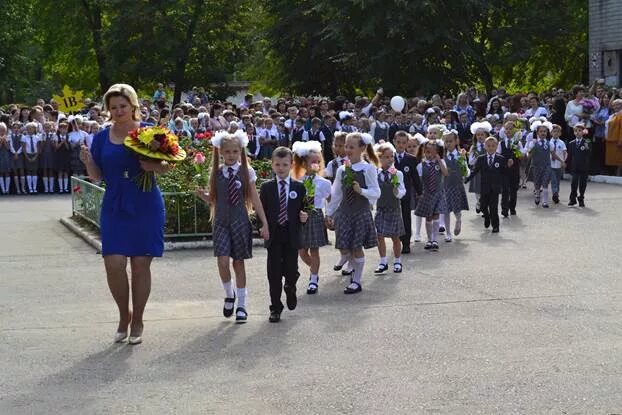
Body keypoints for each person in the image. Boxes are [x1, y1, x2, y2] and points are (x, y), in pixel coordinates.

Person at [80, 83, 172, 345]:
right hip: (114, 205)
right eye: (114, 107)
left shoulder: (148, 133)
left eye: (123, 106)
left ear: (132, 106)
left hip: (145, 204)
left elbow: (167, 166)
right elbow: (97, 177)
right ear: (108, 110)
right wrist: (88, 162)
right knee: (114, 264)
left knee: (141, 266)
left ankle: (138, 319)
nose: (119, 111)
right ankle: (123, 315)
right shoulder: (101, 137)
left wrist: (153, 164)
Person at [196, 130, 269, 324]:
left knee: (238, 263)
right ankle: (229, 294)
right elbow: (214, 199)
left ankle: (242, 305)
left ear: (240, 152)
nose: (231, 155)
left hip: (240, 221)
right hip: (220, 221)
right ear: (221, 152)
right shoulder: (216, 172)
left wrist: (265, 222)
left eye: (235, 151)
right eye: (227, 151)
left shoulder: (247, 172)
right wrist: (202, 195)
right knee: (222, 261)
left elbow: (255, 199)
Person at [325, 132, 380, 294]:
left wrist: (361, 190)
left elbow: (376, 192)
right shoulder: (342, 169)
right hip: (345, 213)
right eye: (346, 146)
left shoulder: (368, 169)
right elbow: (336, 194)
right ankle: (352, 271)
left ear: (362, 148)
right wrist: (329, 213)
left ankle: (356, 281)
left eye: (352, 147)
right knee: (345, 246)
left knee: (356, 248)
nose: (347, 150)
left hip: (360, 213)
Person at [260, 147, 307, 322]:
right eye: (277, 164)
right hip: (274, 235)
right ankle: (275, 307)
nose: (281, 168)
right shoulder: (266, 187)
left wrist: (305, 216)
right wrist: (261, 226)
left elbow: (306, 209)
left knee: (291, 270)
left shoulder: (299, 187)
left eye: (285, 164)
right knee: (273, 273)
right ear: (272, 165)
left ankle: (291, 287)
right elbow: (261, 211)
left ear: (291, 165)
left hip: (291, 233)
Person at [291, 141, 331, 295]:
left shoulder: (324, 182)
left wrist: (329, 215)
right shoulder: (297, 181)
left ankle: (313, 278)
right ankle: (314, 270)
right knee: (302, 251)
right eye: (312, 161)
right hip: (301, 217)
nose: (315, 164)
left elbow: (331, 200)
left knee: (314, 250)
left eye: (318, 162)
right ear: (304, 163)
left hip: (315, 216)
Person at [373, 142, 406, 273]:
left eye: (391, 156)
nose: (390, 159)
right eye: (386, 157)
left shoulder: (397, 174)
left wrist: (398, 192)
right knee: (379, 235)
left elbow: (403, 189)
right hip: (381, 209)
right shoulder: (376, 174)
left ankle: (397, 261)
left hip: (394, 209)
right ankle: (383, 261)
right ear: (379, 158)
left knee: (395, 237)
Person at [465, 137, 507, 233]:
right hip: (484, 187)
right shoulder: (481, 159)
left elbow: (504, 174)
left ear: (496, 147)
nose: (491, 148)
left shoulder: (500, 159)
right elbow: (475, 171)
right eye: (488, 146)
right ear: (485, 147)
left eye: (493, 146)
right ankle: (487, 217)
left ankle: (495, 226)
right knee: (483, 206)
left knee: (493, 208)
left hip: (495, 188)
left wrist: (504, 185)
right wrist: (467, 179)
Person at [414, 141, 449, 251]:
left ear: (438, 152)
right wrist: (419, 193)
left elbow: (445, 173)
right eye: (428, 152)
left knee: (436, 215)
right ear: (424, 152)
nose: (430, 155)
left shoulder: (441, 162)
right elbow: (418, 181)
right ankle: (429, 239)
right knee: (428, 217)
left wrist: (439, 160)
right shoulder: (421, 165)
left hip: (438, 193)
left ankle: (434, 239)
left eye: (433, 152)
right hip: (427, 194)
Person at [393, 131, 422, 254]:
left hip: (406, 193)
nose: (400, 145)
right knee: (393, 216)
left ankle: (406, 243)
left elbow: (415, 178)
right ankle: (396, 240)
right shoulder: (389, 157)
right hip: (391, 194)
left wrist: (420, 192)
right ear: (394, 142)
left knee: (406, 217)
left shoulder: (411, 159)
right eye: (398, 142)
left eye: (403, 143)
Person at [441, 130, 469, 242]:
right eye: (446, 141)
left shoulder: (460, 155)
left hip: (457, 185)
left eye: (450, 141)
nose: (448, 143)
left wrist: (465, 171)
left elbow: (466, 170)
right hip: (445, 186)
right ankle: (448, 233)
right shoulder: (442, 156)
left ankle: (458, 220)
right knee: (446, 210)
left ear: (456, 141)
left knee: (457, 208)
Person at [497, 120, 523, 216]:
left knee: (513, 189)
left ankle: (512, 207)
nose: (508, 131)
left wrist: (517, 153)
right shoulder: (501, 143)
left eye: (511, 129)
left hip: (514, 169)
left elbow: (521, 156)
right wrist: (505, 162)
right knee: (505, 190)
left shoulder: (518, 143)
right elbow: (498, 156)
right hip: (504, 170)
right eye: (506, 129)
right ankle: (504, 209)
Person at [526, 120, 553, 207]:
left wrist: (561, 161)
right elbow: (529, 155)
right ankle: (537, 195)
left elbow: (553, 154)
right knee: (537, 183)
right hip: (536, 166)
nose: (543, 133)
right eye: (541, 131)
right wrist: (531, 150)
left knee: (545, 183)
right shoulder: (533, 143)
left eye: (545, 131)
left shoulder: (550, 143)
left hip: (546, 166)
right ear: (537, 133)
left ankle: (545, 201)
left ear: (547, 132)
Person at [468, 121, 492, 213]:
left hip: (488, 171)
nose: (480, 137)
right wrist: (477, 157)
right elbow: (470, 161)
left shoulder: (489, 146)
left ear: (486, 135)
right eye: (478, 135)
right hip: (478, 171)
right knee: (478, 190)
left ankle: (485, 206)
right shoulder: (473, 148)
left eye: (482, 135)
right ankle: (478, 202)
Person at [567, 123, 591, 207]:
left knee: (582, 184)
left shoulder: (586, 142)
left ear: (583, 132)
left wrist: (587, 147)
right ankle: (572, 199)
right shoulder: (571, 143)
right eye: (576, 131)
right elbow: (569, 156)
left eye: (580, 131)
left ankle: (581, 198)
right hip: (575, 167)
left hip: (584, 167)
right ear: (574, 132)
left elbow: (589, 154)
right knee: (574, 183)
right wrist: (568, 167)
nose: (577, 132)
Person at [549, 124, 568, 204]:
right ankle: (555, 194)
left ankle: (557, 193)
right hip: (551, 165)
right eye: (554, 132)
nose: (556, 133)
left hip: (559, 165)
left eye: (557, 132)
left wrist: (563, 161)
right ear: (551, 133)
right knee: (553, 181)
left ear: (560, 133)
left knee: (557, 181)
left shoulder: (562, 143)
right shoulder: (549, 142)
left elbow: (565, 152)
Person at [21, 122, 41, 194]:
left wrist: (35, 157)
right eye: (28, 129)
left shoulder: (37, 137)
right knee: (29, 171)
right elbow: (23, 148)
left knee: (35, 171)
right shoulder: (24, 137)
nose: (30, 130)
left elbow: (38, 148)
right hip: (28, 155)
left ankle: (34, 188)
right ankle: (30, 188)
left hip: (35, 155)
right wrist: (27, 157)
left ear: (34, 129)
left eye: (31, 129)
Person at [605, 98, 622, 176]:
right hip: (610, 140)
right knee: (612, 159)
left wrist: (620, 140)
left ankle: (618, 174)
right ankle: (613, 174)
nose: (615, 106)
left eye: (617, 104)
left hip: (616, 140)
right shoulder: (612, 115)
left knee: (619, 159)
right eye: (614, 105)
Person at [54, 121, 72, 193]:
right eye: (62, 128)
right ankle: (61, 188)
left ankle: (65, 188)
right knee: (60, 172)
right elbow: (56, 147)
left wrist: (65, 142)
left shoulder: (68, 136)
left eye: (65, 129)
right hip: (59, 156)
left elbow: (68, 148)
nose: (63, 130)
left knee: (66, 172)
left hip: (66, 156)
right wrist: (62, 142)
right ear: (59, 129)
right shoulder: (56, 136)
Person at [39, 121, 57, 193]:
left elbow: (55, 147)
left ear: (51, 128)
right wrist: (44, 139)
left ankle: (51, 188)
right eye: (45, 128)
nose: (47, 129)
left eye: (48, 127)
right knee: (45, 170)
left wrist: (52, 141)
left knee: (51, 170)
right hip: (44, 154)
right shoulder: (41, 135)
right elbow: (41, 147)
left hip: (51, 155)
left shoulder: (53, 135)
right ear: (43, 128)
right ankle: (46, 188)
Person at [9, 122, 26, 194]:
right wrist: (14, 153)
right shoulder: (10, 136)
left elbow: (22, 146)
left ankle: (23, 188)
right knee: (15, 172)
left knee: (21, 171)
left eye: (18, 128)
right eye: (14, 128)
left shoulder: (22, 136)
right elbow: (10, 145)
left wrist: (18, 153)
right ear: (12, 129)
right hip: (13, 155)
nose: (16, 129)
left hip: (20, 155)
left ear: (20, 129)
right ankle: (18, 189)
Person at [0, 123, 10, 194]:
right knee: (0, 173)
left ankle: (7, 189)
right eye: (0, 130)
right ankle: (3, 189)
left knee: (7, 172)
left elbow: (8, 148)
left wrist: (5, 141)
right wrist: (1, 141)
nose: (2, 131)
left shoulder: (8, 137)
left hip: (6, 155)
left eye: (3, 130)